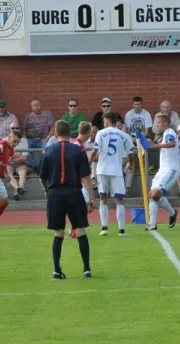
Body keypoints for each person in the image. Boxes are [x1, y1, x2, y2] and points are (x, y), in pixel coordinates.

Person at [39, 121, 96, 279]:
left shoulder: (48, 151)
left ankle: (57, 270)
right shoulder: (77, 151)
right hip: (74, 192)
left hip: (55, 194)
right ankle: (86, 268)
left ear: (56, 134)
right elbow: (85, 176)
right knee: (80, 230)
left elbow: (42, 177)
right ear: (70, 134)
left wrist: (46, 190)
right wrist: (92, 198)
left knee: (58, 233)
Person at [88, 111, 134, 237]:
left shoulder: (101, 133)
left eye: (104, 121)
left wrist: (88, 164)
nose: (103, 123)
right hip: (116, 170)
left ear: (108, 121)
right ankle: (121, 230)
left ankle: (104, 228)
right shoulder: (124, 135)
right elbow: (131, 154)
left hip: (102, 169)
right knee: (119, 199)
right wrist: (131, 165)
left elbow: (94, 152)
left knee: (103, 199)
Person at [144, 114, 179, 231]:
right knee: (152, 195)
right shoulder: (164, 135)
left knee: (155, 195)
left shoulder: (170, 132)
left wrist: (157, 145)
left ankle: (172, 213)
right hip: (163, 170)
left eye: (159, 122)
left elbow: (172, 143)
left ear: (165, 123)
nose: (157, 125)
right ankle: (152, 224)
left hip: (171, 170)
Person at [69, 121, 93, 239]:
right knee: (82, 206)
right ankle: (74, 230)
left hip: (77, 180)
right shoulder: (77, 146)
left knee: (83, 206)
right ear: (88, 132)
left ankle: (74, 229)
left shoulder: (76, 143)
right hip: (78, 181)